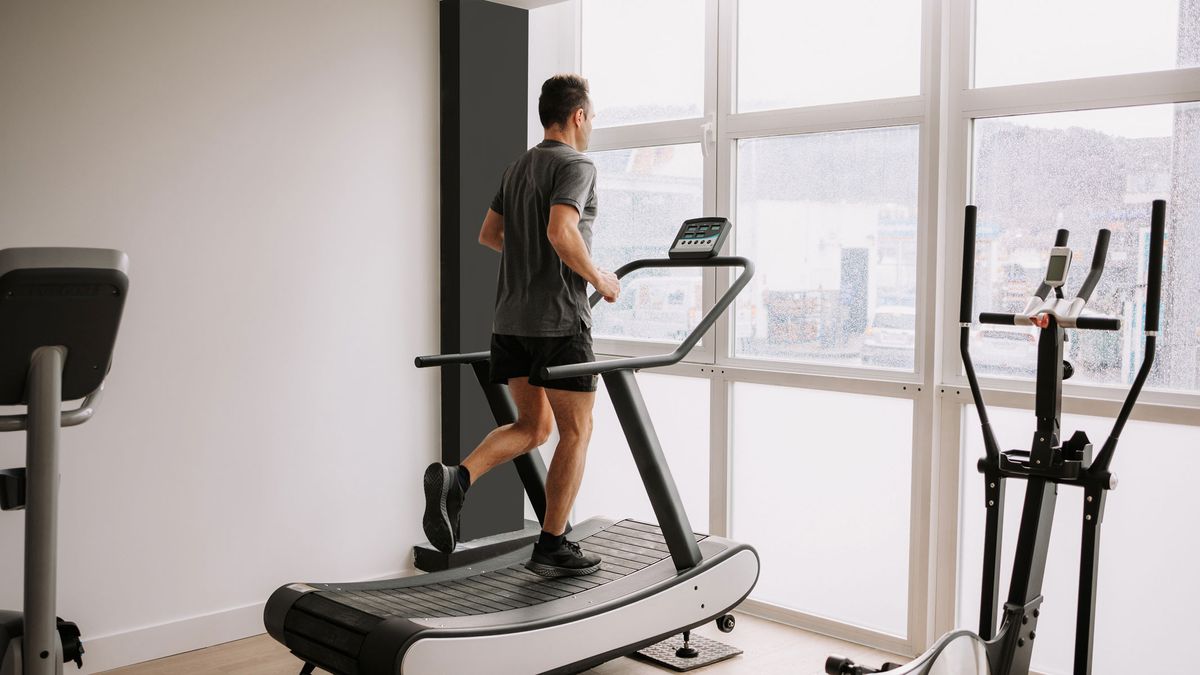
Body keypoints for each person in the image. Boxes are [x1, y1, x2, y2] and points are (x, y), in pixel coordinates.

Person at [422, 74, 620, 578]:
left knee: (533, 427)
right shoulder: (577, 164)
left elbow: (490, 234)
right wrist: (599, 276)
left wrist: (531, 253)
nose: (592, 125)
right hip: (559, 324)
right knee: (576, 431)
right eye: (591, 116)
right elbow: (561, 230)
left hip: (510, 321)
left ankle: (459, 478)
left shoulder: (518, 166)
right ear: (577, 115)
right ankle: (553, 543)